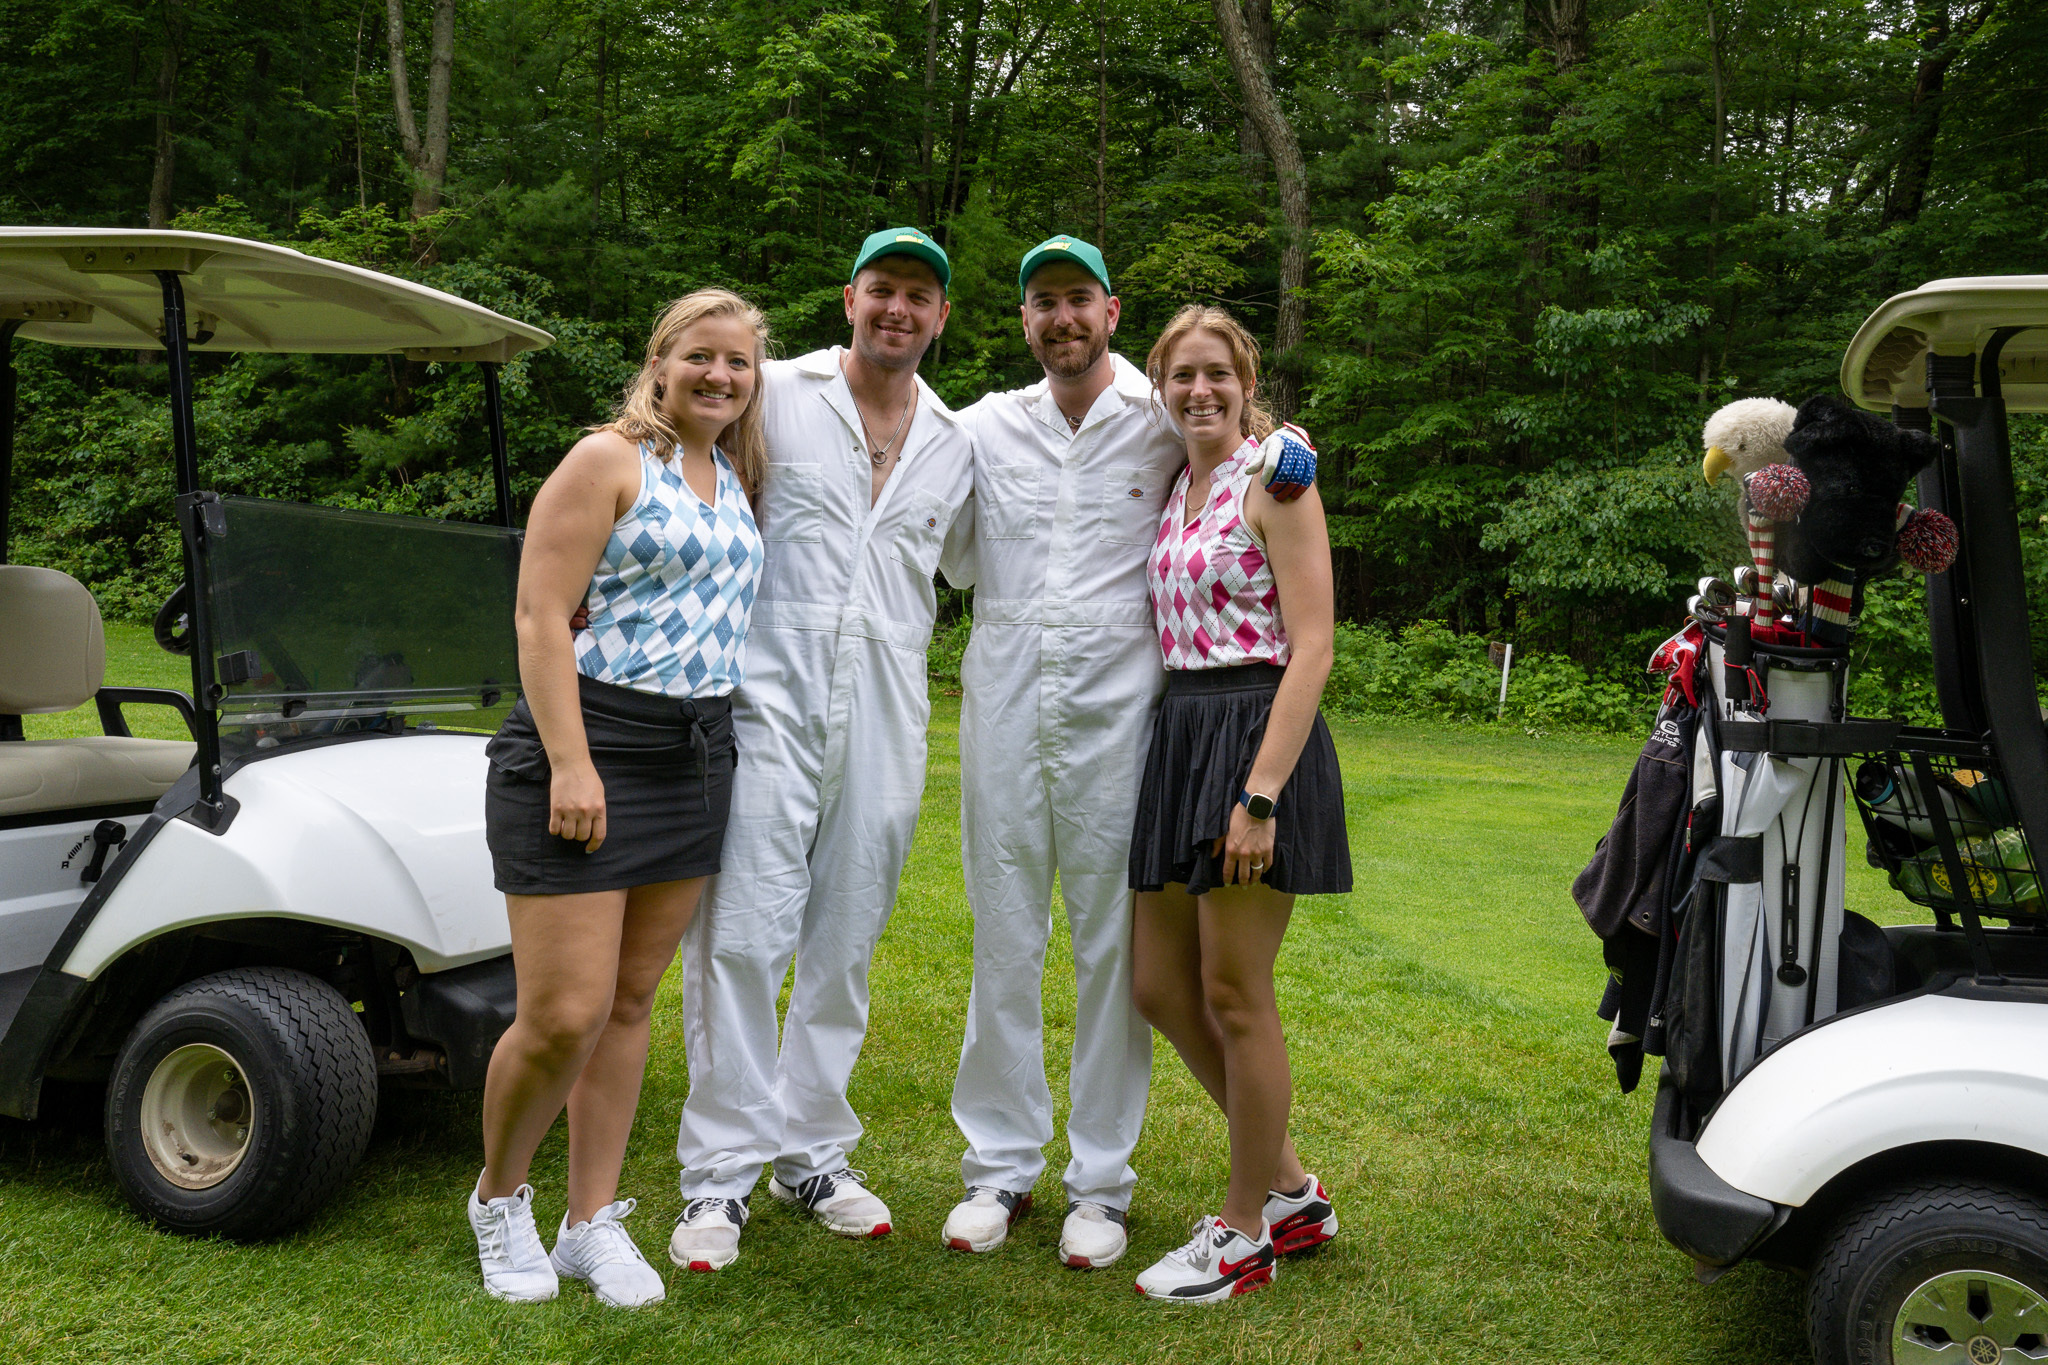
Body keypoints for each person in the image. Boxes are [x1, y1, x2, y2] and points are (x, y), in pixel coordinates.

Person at [941, 238, 1313, 1270]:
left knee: (1114, 950)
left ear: (1110, 312)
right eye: (1042, 301)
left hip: (1128, 723)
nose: (1061, 316)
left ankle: (1099, 1183)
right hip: (1003, 708)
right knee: (1004, 932)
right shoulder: (982, 425)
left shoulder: (1159, 416)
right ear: (1024, 319)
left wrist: (1293, 444)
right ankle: (998, 1165)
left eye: (1079, 299)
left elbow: (1247, 436)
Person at [667, 228, 976, 1271]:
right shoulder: (775, 394)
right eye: (882, 288)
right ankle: (719, 1174)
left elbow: (984, 558)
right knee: (742, 935)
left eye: (919, 295)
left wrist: (1263, 443)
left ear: (940, 316)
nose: (898, 308)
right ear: (851, 297)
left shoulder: (955, 440)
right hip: (765, 694)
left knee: (845, 937)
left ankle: (810, 1155)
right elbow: (673, 462)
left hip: (888, 710)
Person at [468, 289, 769, 1308]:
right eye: (700, 356)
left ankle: (588, 1222)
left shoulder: (733, 473)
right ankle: (498, 1198)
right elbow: (539, 616)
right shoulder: (607, 460)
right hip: (588, 745)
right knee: (565, 1012)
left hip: (695, 756)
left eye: (737, 361)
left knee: (631, 1002)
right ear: (660, 361)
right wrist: (571, 761)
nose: (719, 375)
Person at [1126, 305, 1351, 1303]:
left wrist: (1259, 796)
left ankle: (1243, 1231)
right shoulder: (1179, 483)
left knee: (1233, 991)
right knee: (1158, 986)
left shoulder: (1276, 478)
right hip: (1182, 731)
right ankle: (1292, 1190)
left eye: (1216, 372)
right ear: (1159, 387)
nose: (1199, 389)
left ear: (1246, 381)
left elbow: (1314, 643)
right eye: (1181, 374)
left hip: (1255, 734)